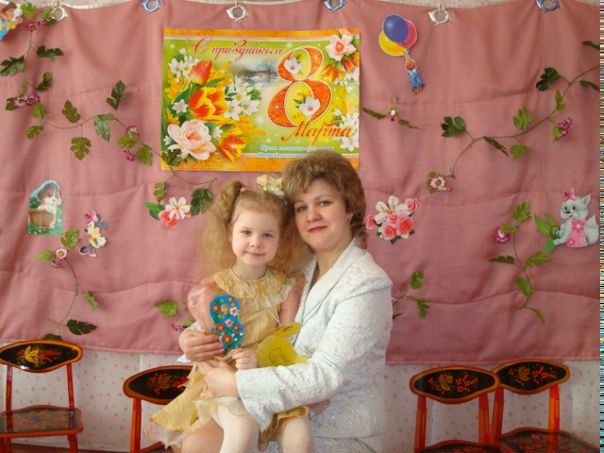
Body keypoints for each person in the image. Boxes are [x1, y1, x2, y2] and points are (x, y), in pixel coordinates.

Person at [181, 150, 394, 453]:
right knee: (195, 443)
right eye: (301, 207)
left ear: (349, 208)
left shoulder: (366, 283)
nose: (312, 215)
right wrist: (190, 340)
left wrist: (236, 384)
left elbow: (326, 375)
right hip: (273, 418)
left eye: (324, 202)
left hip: (336, 436)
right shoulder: (296, 271)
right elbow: (247, 316)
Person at [149, 177, 314, 453]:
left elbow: (286, 342)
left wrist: (258, 361)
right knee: (242, 426)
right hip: (222, 381)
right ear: (229, 233)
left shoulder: (286, 288)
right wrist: (188, 341)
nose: (256, 242)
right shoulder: (213, 289)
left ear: (280, 238)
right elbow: (205, 341)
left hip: (267, 377)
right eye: (246, 232)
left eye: (267, 235)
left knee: (301, 434)